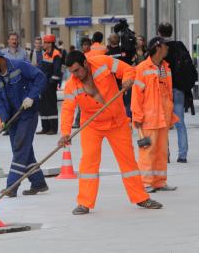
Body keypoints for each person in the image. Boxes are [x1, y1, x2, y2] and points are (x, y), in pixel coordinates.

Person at [58, 50, 163, 215]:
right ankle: (84, 203)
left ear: (85, 63)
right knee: (88, 163)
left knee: (128, 162)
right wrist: (65, 133)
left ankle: (141, 198)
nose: (75, 75)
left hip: (117, 122)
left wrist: (128, 79)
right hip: (92, 125)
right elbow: (67, 110)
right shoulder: (72, 85)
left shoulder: (103, 62)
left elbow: (128, 69)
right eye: (72, 72)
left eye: (77, 70)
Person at [0, 49, 49, 197]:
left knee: (20, 148)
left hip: (28, 113)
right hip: (14, 117)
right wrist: (4, 119)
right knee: (23, 150)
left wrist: (31, 96)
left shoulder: (19, 66)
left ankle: (11, 186)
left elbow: (40, 77)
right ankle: (38, 182)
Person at [131, 36, 179, 193]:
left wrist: (170, 116)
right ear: (158, 47)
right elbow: (136, 95)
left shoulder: (166, 68)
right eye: (166, 46)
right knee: (148, 151)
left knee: (161, 151)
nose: (168, 48)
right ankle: (146, 182)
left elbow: (168, 94)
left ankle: (159, 181)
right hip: (149, 118)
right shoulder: (142, 68)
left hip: (163, 117)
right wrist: (137, 116)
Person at [158, 22, 197, 163]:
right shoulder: (179, 46)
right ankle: (182, 155)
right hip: (179, 89)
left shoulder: (158, 48)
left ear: (159, 32)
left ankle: (165, 154)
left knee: (163, 124)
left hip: (163, 89)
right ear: (171, 31)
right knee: (180, 123)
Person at [37, 34, 62, 135]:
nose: (43, 44)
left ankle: (53, 128)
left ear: (50, 43)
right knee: (43, 106)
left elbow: (57, 71)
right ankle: (45, 127)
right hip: (43, 84)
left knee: (51, 106)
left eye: (45, 42)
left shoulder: (56, 54)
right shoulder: (45, 53)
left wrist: (51, 83)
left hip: (50, 85)